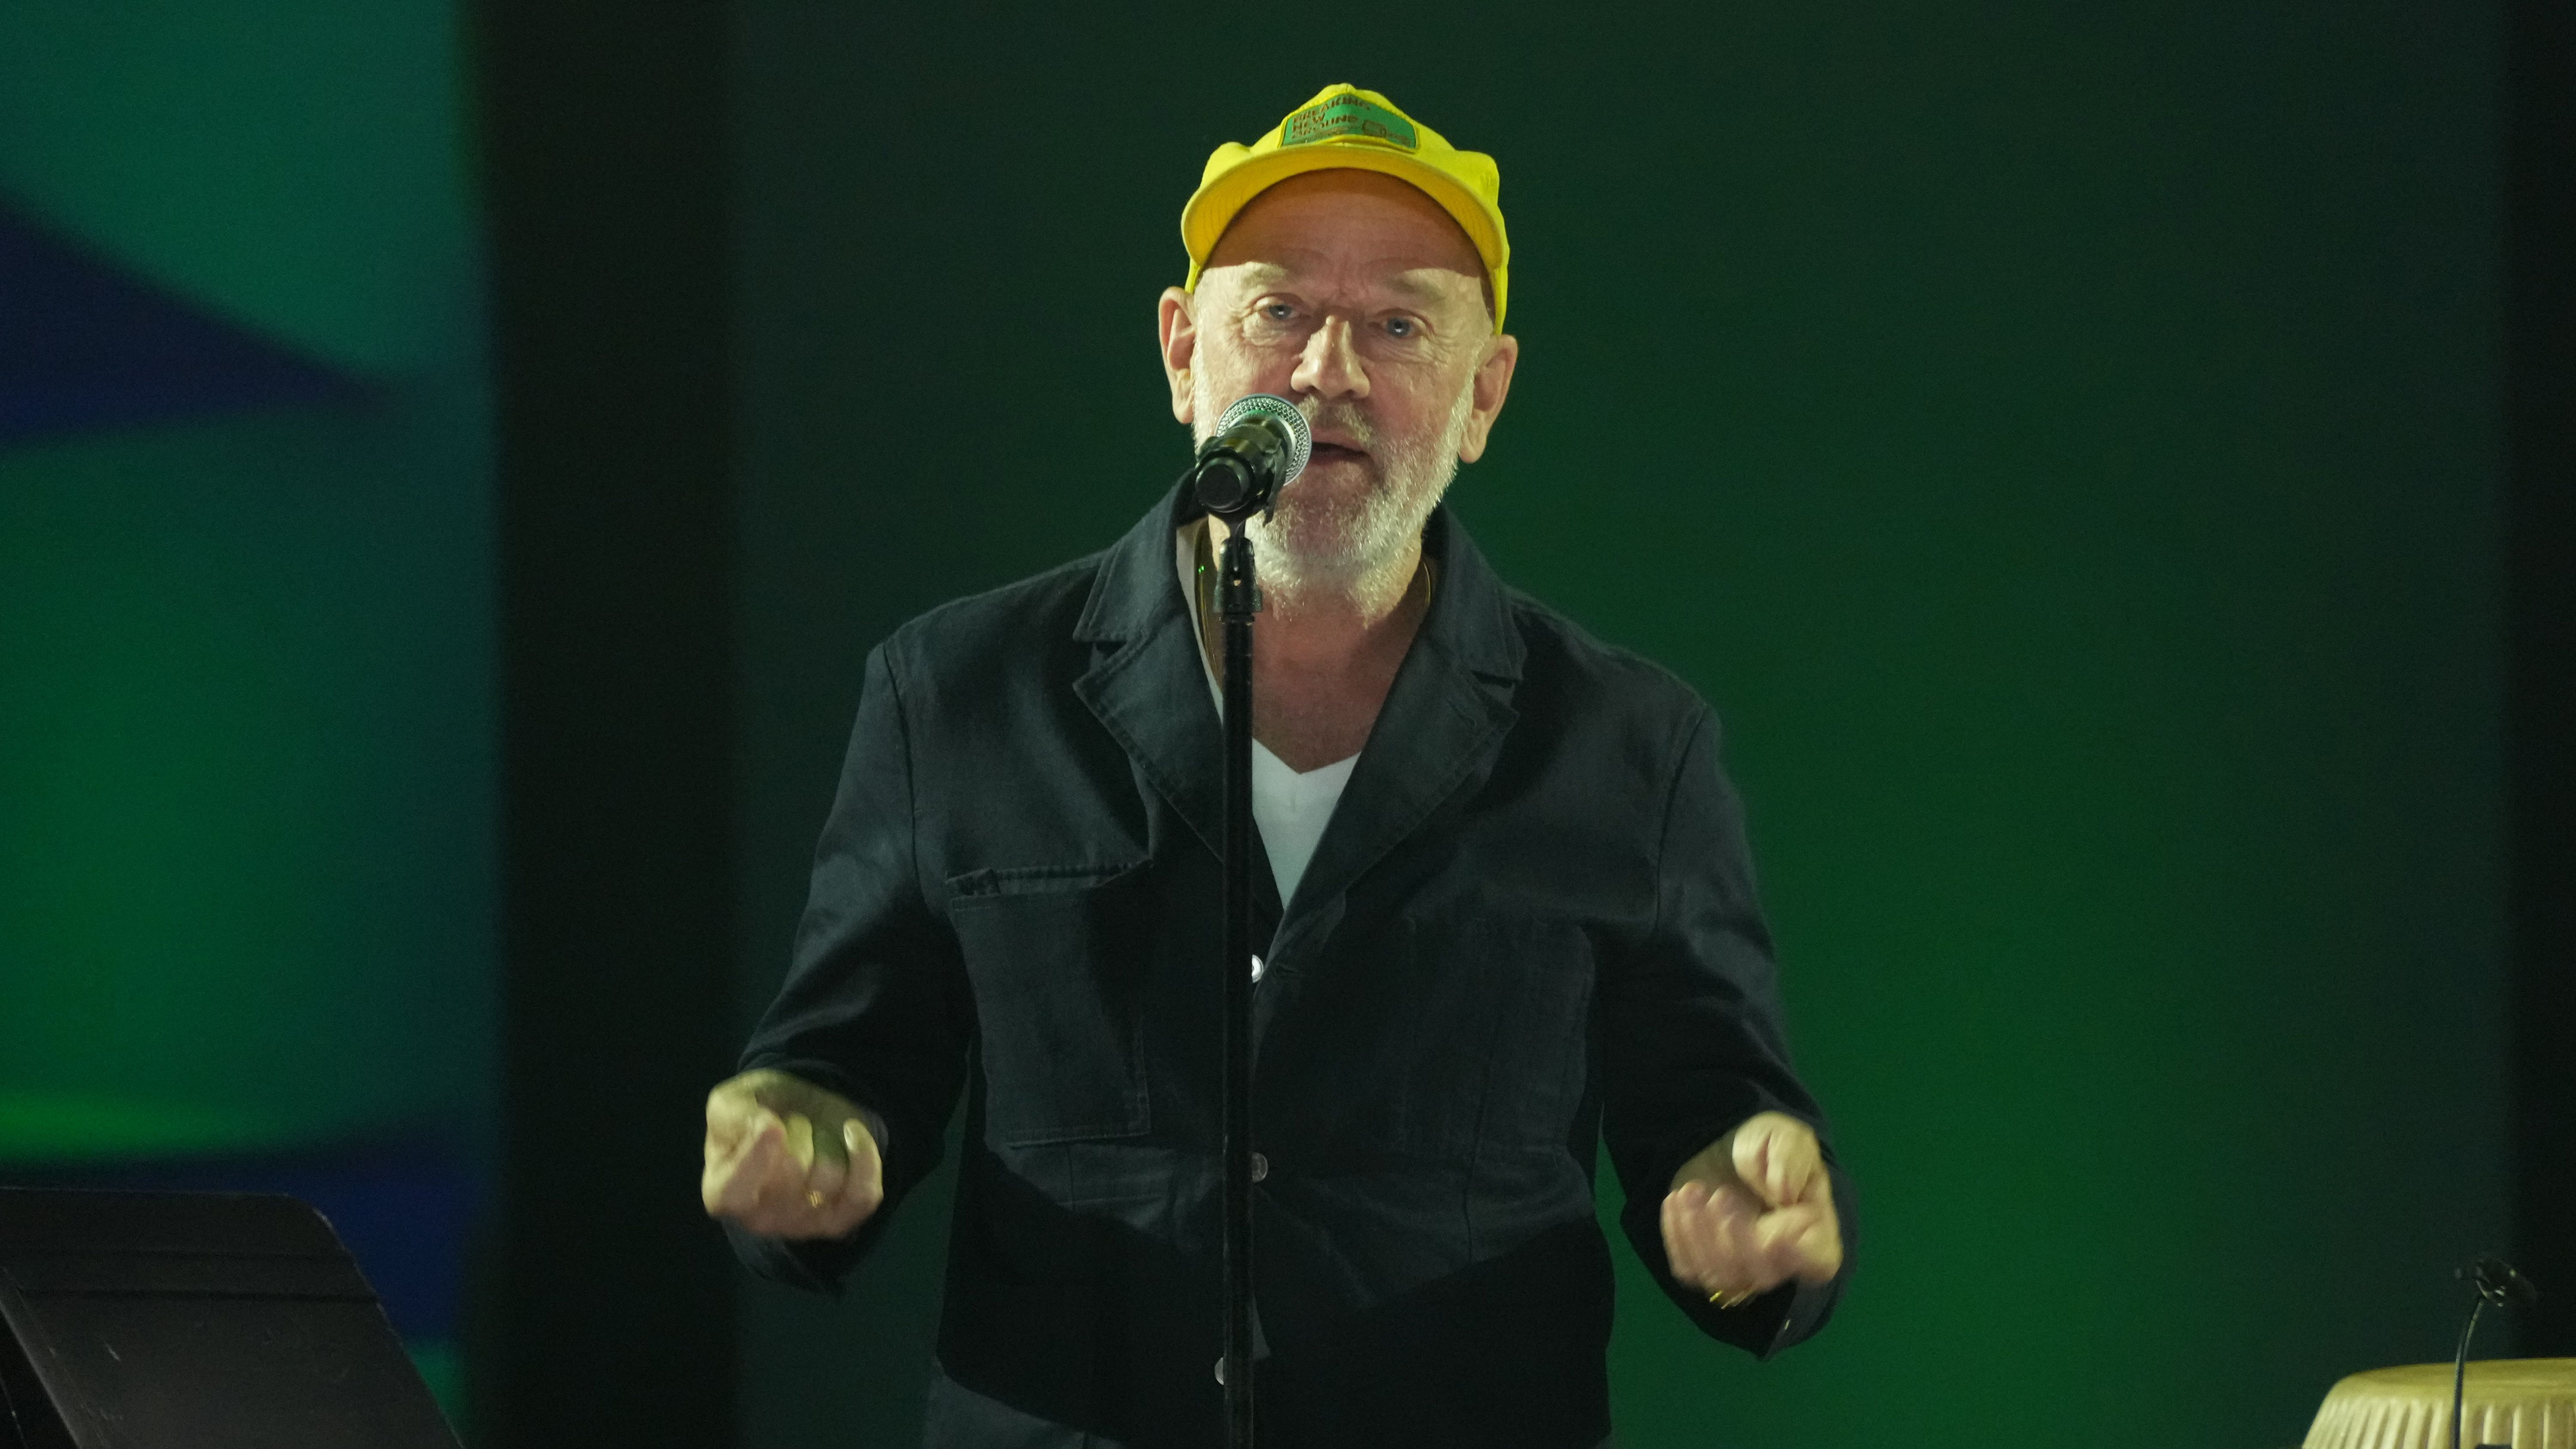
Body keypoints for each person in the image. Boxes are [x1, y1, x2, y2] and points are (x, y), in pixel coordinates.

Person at [701, 83, 1852, 1449]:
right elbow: (850, 1063)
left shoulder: (1630, 742)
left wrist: (1738, 1205)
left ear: (1484, 396)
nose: (1327, 373)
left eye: (1399, 325)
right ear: (1184, 355)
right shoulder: (956, 690)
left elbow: (1707, 1116)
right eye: (1280, 313)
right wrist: (808, 1138)